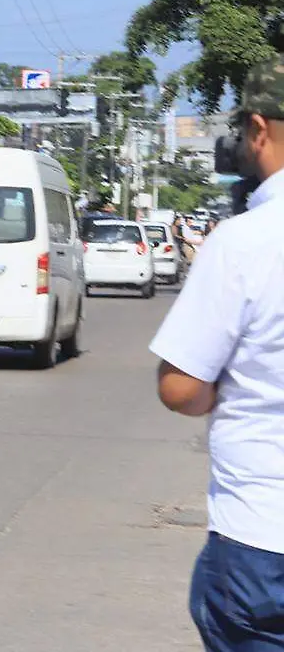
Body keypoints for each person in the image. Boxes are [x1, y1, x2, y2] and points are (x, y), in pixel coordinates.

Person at [149, 54, 284, 651]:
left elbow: (181, 387)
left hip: (261, 538)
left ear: (259, 129)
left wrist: (224, 385)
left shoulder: (245, 242)